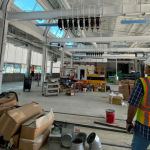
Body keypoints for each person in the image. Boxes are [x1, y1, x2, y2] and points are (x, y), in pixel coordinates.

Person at [126, 57, 150, 150]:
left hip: (144, 127)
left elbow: (133, 105)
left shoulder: (144, 83)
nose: (146, 66)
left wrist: (129, 122)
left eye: (147, 65)